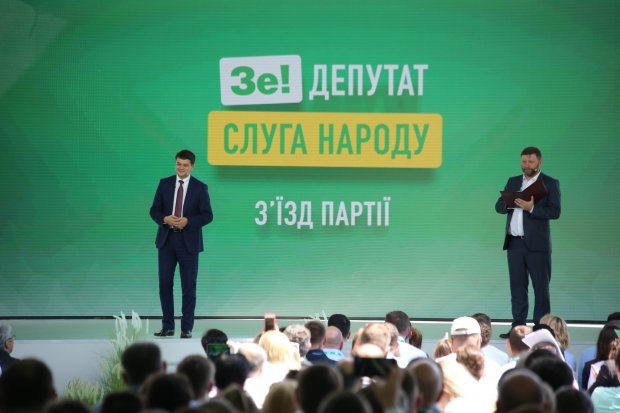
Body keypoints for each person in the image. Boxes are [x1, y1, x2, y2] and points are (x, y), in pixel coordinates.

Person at [495, 146, 561, 338]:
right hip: (514, 244)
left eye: (531, 162)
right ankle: (518, 327)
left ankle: (541, 329)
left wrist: (531, 208)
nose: (527, 165)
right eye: (524, 161)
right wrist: (509, 202)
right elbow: (498, 206)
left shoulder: (550, 183)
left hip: (538, 246)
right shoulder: (513, 181)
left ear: (539, 162)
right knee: (517, 287)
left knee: (541, 289)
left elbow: (555, 211)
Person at [150, 149, 214, 339]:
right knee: (164, 285)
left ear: (192, 167)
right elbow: (154, 210)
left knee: (188, 287)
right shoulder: (164, 184)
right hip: (166, 241)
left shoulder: (200, 188)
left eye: (185, 165)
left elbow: (207, 215)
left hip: (189, 243)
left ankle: (187, 328)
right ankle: (168, 327)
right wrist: (164, 218)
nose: (181, 168)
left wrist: (189, 221)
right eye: (178, 164)